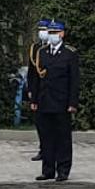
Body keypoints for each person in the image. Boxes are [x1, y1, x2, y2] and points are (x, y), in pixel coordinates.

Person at [32, 20, 80, 182]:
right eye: (50, 32)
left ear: (62, 34)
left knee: (62, 137)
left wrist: (72, 103)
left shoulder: (69, 53)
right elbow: (38, 78)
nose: (51, 35)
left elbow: (74, 80)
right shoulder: (43, 52)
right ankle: (48, 169)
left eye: (55, 33)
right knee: (46, 137)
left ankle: (63, 169)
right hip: (44, 100)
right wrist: (34, 98)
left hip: (61, 101)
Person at [28, 18, 51, 162]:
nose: (42, 33)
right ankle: (43, 149)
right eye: (40, 30)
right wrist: (31, 90)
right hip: (38, 91)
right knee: (40, 122)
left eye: (45, 30)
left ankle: (51, 149)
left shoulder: (54, 49)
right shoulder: (35, 48)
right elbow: (32, 72)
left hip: (52, 90)